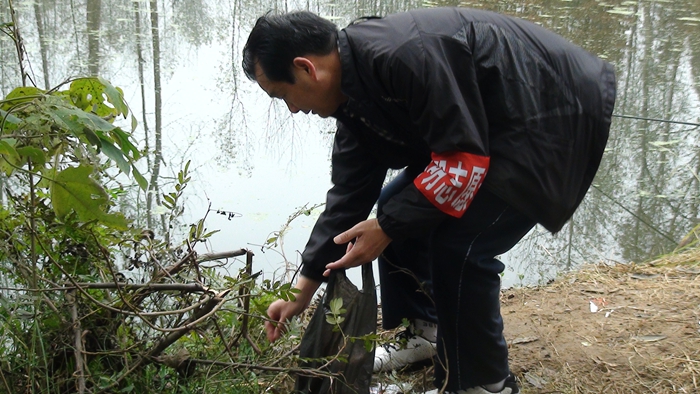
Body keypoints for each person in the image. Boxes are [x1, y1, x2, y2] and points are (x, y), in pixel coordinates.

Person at [242, 7, 616, 394]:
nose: (292, 109)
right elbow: (348, 197)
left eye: (283, 95)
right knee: (395, 203)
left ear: (305, 68)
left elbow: (463, 164)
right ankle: (425, 334)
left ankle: (483, 383)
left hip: (548, 113)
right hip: (485, 130)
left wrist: (387, 227)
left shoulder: (403, 55)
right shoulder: (352, 91)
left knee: (461, 245)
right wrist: (303, 287)